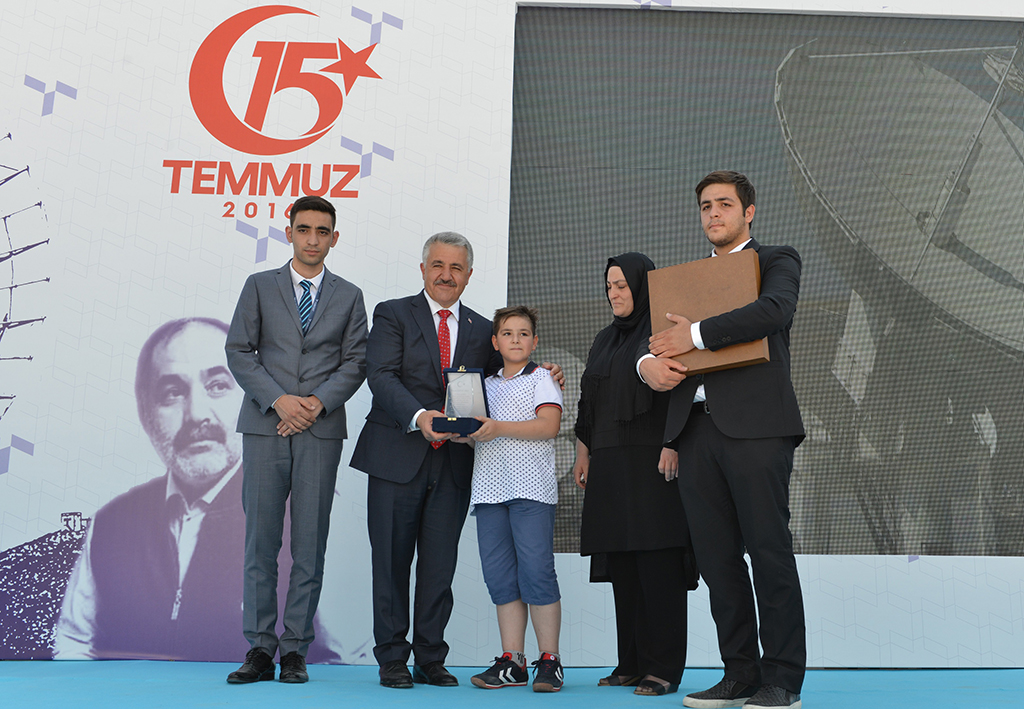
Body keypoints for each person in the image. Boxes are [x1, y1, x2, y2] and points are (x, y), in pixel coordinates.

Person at [53, 317, 337, 664]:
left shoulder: (298, 506)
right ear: (145, 412)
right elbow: (75, 643)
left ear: (252, 398)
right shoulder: (111, 523)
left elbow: (346, 656)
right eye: (172, 393)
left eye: (217, 386)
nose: (196, 414)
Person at [350, 232, 563, 689]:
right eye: (438, 265)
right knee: (390, 562)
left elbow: (507, 373)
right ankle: (392, 658)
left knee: (439, 564)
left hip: (454, 464)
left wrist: (545, 371)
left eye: (456, 268)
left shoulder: (482, 329)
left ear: (468, 275)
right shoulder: (392, 314)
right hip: (396, 456)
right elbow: (380, 375)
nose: (446, 275)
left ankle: (430, 657)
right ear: (423, 269)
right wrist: (419, 416)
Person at [638, 171, 806, 709]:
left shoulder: (776, 260)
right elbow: (654, 343)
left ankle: (783, 680)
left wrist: (693, 333)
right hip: (695, 431)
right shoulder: (686, 277)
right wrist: (646, 366)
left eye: (725, 204)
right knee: (717, 561)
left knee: (769, 553)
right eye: (706, 205)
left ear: (748, 212)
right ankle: (740, 673)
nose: (714, 213)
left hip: (758, 430)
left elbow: (773, 311)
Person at [224, 195, 368, 684]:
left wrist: (314, 405)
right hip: (265, 426)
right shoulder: (259, 286)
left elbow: (356, 361)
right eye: (303, 229)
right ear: (288, 233)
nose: (312, 239)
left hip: (320, 430)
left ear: (334, 238)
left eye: (322, 231)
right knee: (260, 544)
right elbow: (239, 351)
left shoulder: (350, 295)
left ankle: (295, 651)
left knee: (310, 544)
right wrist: (280, 401)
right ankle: (260, 649)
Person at [573, 253, 697, 696]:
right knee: (624, 567)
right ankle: (631, 663)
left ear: (643, 286)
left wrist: (673, 443)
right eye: (609, 286)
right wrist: (583, 453)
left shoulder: (663, 333)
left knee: (658, 565)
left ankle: (663, 668)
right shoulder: (604, 339)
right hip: (608, 463)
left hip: (654, 462)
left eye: (622, 285)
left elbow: (684, 390)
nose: (614, 293)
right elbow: (589, 402)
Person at [467, 306, 564, 692]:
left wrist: (496, 428)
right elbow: (474, 432)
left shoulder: (543, 378)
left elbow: (549, 426)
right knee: (501, 577)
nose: (516, 340)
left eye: (524, 334)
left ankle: (550, 661)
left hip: (532, 491)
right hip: (488, 491)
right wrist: (458, 431)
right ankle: (513, 661)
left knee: (537, 573)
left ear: (534, 342)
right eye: (507, 334)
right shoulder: (483, 386)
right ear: (495, 342)